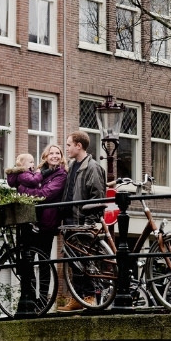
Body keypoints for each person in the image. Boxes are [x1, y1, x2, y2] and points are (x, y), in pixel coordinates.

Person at [56, 130, 108, 313]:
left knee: (85, 261)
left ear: (79, 146)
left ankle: (90, 297)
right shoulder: (72, 165)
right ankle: (77, 298)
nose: (67, 148)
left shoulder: (92, 167)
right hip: (70, 221)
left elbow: (98, 197)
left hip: (82, 222)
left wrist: (89, 223)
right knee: (73, 262)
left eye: (69, 145)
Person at [7, 145, 67, 258]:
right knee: (26, 257)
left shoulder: (61, 174)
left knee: (43, 257)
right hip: (31, 219)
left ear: (61, 156)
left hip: (46, 221)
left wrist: (23, 190)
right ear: (46, 156)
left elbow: (45, 194)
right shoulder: (40, 171)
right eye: (51, 153)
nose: (55, 156)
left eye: (58, 153)